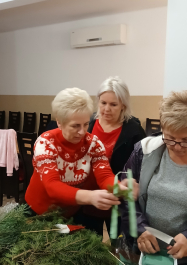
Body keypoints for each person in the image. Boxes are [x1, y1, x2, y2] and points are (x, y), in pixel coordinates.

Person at [121, 90, 187, 265]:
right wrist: (140, 229)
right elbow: (125, 197)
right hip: (144, 254)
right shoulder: (143, 152)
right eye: (170, 138)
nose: (177, 147)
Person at [25, 87, 139, 220]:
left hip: (70, 212)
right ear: (59, 122)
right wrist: (90, 197)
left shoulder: (93, 144)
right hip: (38, 213)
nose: (82, 132)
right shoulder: (46, 143)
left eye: (85, 124)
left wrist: (119, 188)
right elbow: (52, 186)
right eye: (75, 126)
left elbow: (104, 176)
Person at [81, 76, 146, 234]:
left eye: (113, 104)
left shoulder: (134, 131)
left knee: (119, 248)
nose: (106, 109)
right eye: (103, 103)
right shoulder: (87, 124)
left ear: (123, 105)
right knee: (88, 247)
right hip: (89, 200)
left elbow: (141, 167)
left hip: (119, 203)